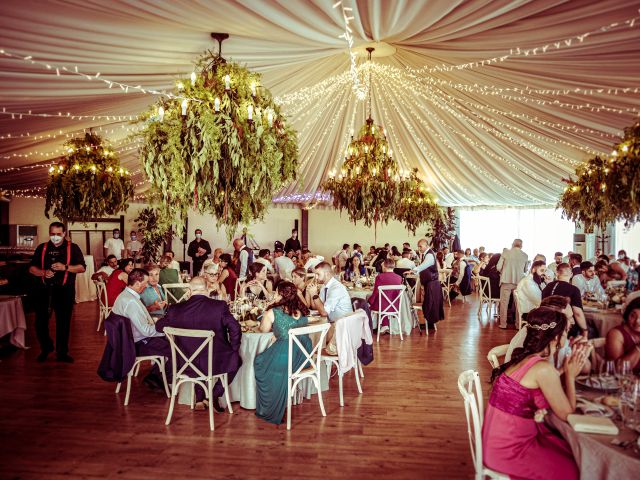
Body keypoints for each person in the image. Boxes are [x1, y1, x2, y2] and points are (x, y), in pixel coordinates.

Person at [483, 306, 587, 479]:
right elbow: (567, 413)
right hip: (510, 452)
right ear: (555, 337)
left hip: (495, 443)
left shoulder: (524, 359)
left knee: (565, 450)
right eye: (565, 332)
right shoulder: (543, 369)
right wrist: (570, 375)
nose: (567, 336)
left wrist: (562, 370)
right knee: (576, 467)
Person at [156, 276, 242, 411]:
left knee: (195, 353)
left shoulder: (175, 309)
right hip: (214, 361)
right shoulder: (219, 306)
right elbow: (235, 328)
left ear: (189, 291)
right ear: (207, 289)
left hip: (184, 362)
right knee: (236, 360)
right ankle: (213, 396)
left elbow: (159, 327)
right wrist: (233, 348)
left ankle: (200, 399)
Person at [254, 281, 312, 424]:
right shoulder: (302, 309)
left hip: (287, 354)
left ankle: (270, 408)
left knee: (259, 362)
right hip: (304, 356)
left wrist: (269, 308)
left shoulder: (274, 312)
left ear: (280, 294)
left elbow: (263, 330)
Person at [29, 222, 86, 363]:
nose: (55, 237)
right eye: (52, 234)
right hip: (44, 290)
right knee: (40, 323)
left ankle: (62, 353)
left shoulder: (72, 248)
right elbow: (31, 268)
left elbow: (82, 268)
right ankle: (46, 348)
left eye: (58, 234)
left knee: (64, 323)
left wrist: (65, 267)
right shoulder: (42, 248)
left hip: (65, 290)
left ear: (64, 234)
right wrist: (43, 272)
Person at [111, 268, 171, 391]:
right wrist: (165, 329)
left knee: (171, 342)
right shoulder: (131, 301)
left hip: (131, 339)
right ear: (138, 283)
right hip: (136, 343)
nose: (146, 286)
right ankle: (156, 377)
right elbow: (146, 331)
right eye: (145, 284)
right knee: (176, 349)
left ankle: (157, 375)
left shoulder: (124, 296)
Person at [307, 262, 354, 353]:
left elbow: (324, 312)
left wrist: (315, 295)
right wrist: (311, 293)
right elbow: (316, 307)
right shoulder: (325, 286)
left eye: (318, 274)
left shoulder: (336, 288)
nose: (316, 277)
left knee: (310, 339)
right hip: (332, 324)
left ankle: (317, 361)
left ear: (327, 274)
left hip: (341, 328)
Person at [542, 263, 589, 338]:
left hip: (546, 326)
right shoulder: (574, 289)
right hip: (564, 327)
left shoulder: (547, 287)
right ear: (571, 274)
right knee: (592, 331)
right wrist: (585, 331)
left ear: (557, 273)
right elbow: (578, 313)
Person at [412, 238, 444, 330]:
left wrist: (414, 270)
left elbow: (424, 265)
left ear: (426, 246)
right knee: (429, 304)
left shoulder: (429, 255)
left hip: (432, 284)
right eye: (418, 246)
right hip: (430, 283)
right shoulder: (426, 254)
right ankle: (429, 324)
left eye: (420, 246)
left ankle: (430, 325)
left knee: (430, 304)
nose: (419, 248)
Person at [497, 239, 528, 329]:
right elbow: (525, 270)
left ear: (512, 244)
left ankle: (503, 324)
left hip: (506, 281)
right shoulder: (525, 255)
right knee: (518, 304)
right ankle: (518, 324)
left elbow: (498, 267)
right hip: (519, 282)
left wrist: (504, 271)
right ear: (521, 246)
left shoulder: (506, 252)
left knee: (504, 303)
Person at [605, 297, 640, 374]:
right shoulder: (616, 334)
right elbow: (617, 370)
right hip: (622, 383)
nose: (637, 321)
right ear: (627, 315)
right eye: (633, 316)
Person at [368, 258, 403, 328]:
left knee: (370, 301)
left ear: (384, 266)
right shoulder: (399, 278)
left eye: (382, 266)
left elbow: (375, 293)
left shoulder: (379, 277)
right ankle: (385, 325)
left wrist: (369, 302)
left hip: (382, 306)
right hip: (395, 306)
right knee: (384, 298)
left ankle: (370, 326)